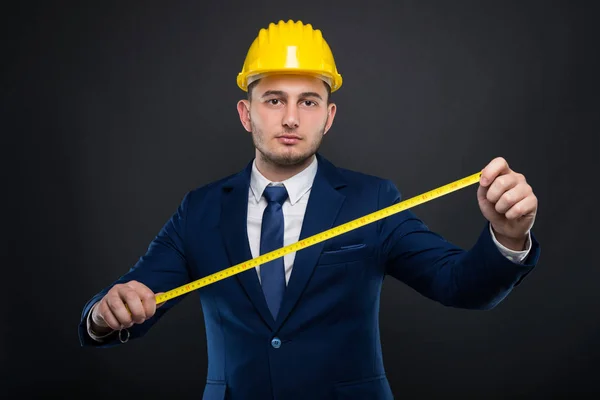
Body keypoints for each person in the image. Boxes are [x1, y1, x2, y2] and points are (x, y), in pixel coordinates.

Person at [78, 19, 540, 400]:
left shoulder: (372, 200)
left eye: (308, 101)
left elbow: (459, 284)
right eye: (274, 100)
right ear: (246, 113)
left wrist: (507, 237)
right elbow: (130, 303)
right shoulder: (198, 211)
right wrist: (104, 314)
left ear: (329, 116)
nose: (291, 118)